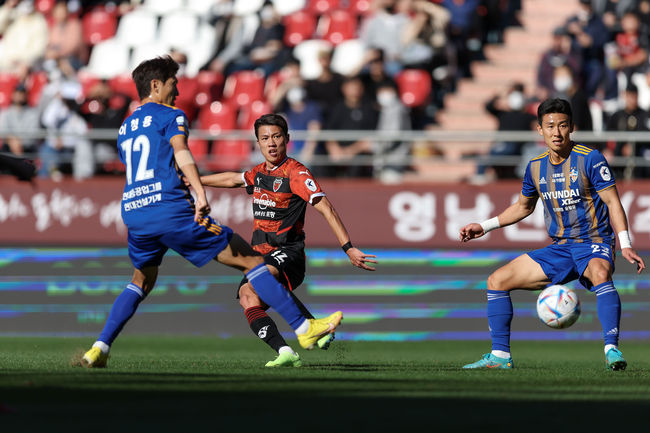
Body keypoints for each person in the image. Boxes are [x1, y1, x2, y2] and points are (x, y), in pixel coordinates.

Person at [81, 56, 342, 368]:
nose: (176, 92)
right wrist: (200, 193)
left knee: (140, 281)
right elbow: (181, 153)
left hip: (135, 213)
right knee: (252, 261)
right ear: (155, 85)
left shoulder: (124, 128)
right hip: (171, 210)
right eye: (172, 84)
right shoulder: (171, 115)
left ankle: (100, 347)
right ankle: (304, 328)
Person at [460, 98, 646, 370]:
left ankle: (612, 350)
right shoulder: (535, 166)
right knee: (497, 280)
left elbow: (613, 202)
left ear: (571, 127)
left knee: (600, 274)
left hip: (594, 242)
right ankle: (500, 357)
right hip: (560, 248)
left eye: (562, 125)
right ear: (540, 130)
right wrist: (484, 226)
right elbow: (523, 207)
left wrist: (626, 243)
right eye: (550, 126)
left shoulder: (590, 158)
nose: (556, 133)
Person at [195, 114, 377, 367]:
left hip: (288, 252)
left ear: (287, 139)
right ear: (257, 143)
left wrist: (348, 247)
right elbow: (232, 179)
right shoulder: (258, 173)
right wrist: (192, 181)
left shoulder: (296, 173)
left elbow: (326, 208)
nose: (271, 143)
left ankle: (309, 327)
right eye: (265, 138)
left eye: (277, 137)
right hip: (260, 253)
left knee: (262, 277)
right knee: (248, 296)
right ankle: (285, 350)